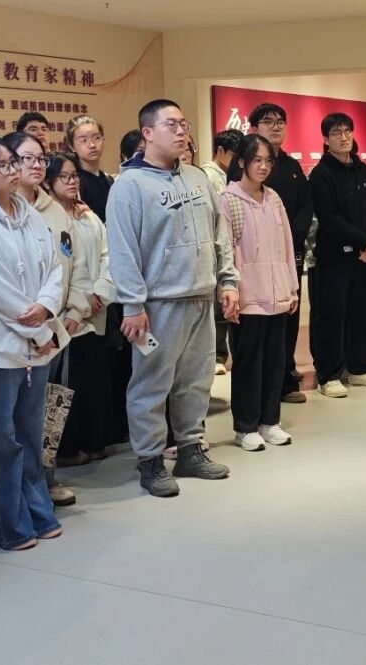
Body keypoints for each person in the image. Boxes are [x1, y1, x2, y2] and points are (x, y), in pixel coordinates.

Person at [106, 99, 237, 497]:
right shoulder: (129, 185)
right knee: (151, 385)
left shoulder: (197, 178)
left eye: (184, 124)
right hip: (158, 303)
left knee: (196, 380)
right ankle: (149, 459)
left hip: (200, 295)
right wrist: (133, 304)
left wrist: (227, 281)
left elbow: (220, 232)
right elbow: (123, 250)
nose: (182, 132)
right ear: (147, 133)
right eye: (171, 125)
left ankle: (191, 449)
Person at [0, 135, 66, 550]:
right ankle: (8, 525)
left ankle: (39, 512)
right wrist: (39, 328)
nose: (13, 170)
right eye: (2, 165)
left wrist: (47, 306)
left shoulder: (27, 210)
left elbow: (55, 266)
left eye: (13, 162)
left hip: (37, 344)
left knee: (30, 435)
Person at [3, 132, 80, 505]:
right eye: (27, 158)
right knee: (12, 416)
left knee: (50, 407)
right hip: (14, 328)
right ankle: (17, 488)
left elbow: (71, 262)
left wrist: (73, 307)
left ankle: (45, 479)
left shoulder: (56, 210)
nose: (36, 165)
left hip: (56, 324)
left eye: (41, 159)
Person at [220, 134, 299, 451]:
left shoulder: (274, 198)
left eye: (268, 161)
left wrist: (291, 287)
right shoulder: (229, 200)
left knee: (274, 363)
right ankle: (245, 426)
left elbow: (287, 244)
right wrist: (229, 289)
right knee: (248, 364)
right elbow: (225, 248)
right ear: (242, 162)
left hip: (278, 295)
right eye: (257, 160)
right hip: (247, 297)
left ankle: (269, 421)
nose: (263, 167)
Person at [45, 151, 116, 464]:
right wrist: (74, 308)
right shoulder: (45, 218)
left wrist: (101, 291)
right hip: (63, 317)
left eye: (74, 176)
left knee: (92, 383)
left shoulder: (88, 217)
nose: (72, 182)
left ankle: (92, 441)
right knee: (62, 385)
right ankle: (62, 451)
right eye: (64, 177)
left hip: (94, 310)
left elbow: (107, 255)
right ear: (49, 182)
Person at [308, 113, 366, 397]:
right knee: (331, 316)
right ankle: (329, 375)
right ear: (326, 139)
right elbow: (330, 218)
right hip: (333, 258)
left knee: (363, 314)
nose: (343, 137)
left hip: (363, 257)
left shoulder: (365, 172)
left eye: (347, 131)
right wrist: (364, 240)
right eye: (336, 133)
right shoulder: (321, 174)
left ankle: (360, 368)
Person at [248, 103, 313, 404]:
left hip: (290, 254)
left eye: (280, 121)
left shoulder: (291, 166)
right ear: (254, 128)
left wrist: (291, 239)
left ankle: (285, 378)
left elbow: (306, 205)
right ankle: (261, 383)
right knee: (261, 320)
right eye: (267, 121)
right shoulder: (245, 167)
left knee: (289, 314)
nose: (275, 126)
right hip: (257, 260)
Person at [202, 128, 243, 375]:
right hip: (215, 246)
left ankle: (221, 354)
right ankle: (217, 355)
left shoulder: (229, 175)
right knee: (218, 308)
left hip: (229, 246)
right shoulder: (209, 175)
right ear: (220, 151)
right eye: (234, 155)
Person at [67, 115, 112, 219]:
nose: (92, 145)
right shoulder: (73, 183)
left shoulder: (109, 180)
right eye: (84, 140)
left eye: (97, 138)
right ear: (72, 146)